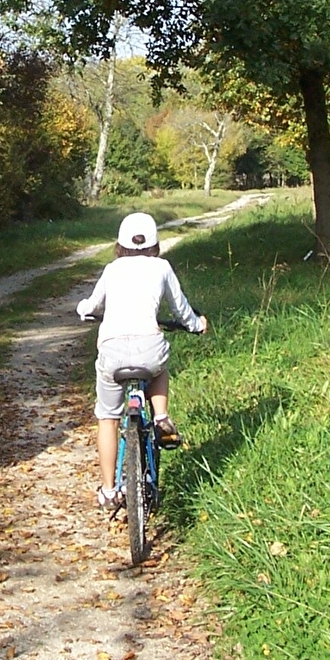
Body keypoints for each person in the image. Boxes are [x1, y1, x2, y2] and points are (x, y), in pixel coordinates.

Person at [77, 212, 207, 510]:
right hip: (149, 347)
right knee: (160, 363)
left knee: (108, 418)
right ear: (155, 243)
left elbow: (93, 304)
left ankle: (109, 492)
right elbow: (182, 309)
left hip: (112, 351)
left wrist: (83, 309)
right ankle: (160, 416)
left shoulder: (112, 270)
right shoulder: (162, 267)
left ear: (119, 244)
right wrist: (196, 324)